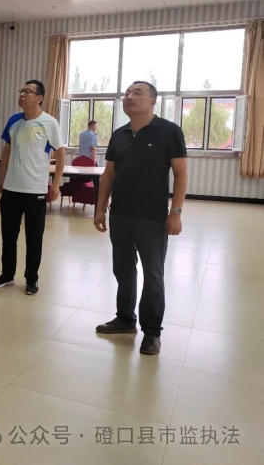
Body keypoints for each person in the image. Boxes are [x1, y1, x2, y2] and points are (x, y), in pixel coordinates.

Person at [93, 81, 188, 356]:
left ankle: (152, 332)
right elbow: (108, 175)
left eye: (137, 93)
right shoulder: (119, 134)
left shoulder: (169, 131)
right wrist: (100, 209)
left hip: (152, 218)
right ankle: (125, 318)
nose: (130, 97)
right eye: (127, 93)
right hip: (120, 215)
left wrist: (176, 212)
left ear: (153, 101)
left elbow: (181, 174)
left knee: (153, 275)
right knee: (123, 270)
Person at [0, 80, 66, 295]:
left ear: (39, 98)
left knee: (34, 238)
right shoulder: (14, 121)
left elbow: (60, 154)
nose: (22, 94)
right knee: (8, 236)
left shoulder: (49, 122)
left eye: (28, 91)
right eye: (21, 90)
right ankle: (7, 275)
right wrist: (1, 178)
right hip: (11, 189)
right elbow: (7, 150)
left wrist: (56, 184)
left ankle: (32, 278)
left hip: (35, 191)